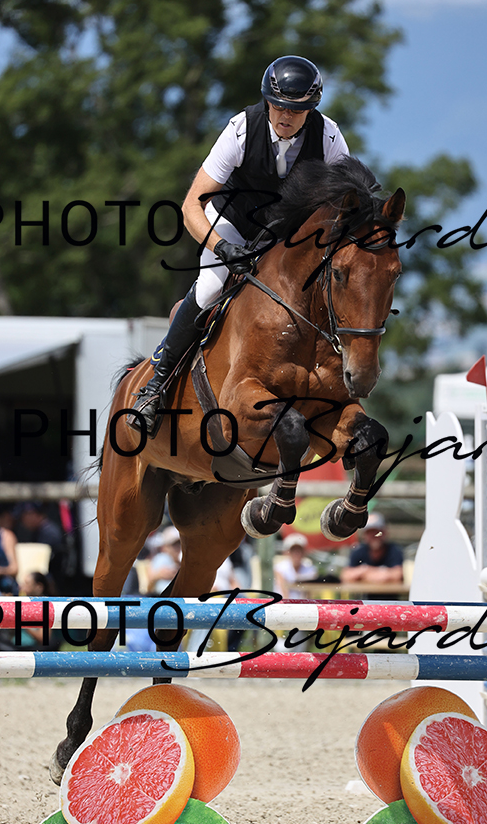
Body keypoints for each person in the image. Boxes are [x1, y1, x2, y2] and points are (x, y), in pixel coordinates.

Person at [130, 55, 349, 434]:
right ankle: (156, 385)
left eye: (297, 110)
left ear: (311, 109)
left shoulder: (328, 136)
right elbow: (191, 205)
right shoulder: (241, 130)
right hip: (232, 225)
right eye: (279, 105)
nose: (286, 116)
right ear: (267, 100)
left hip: (283, 237)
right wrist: (221, 248)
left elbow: (346, 203)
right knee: (211, 287)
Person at [340, 513, 404, 587]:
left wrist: (364, 572)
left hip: (388, 594)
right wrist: (382, 572)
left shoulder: (394, 550)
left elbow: (397, 575)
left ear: (385, 533)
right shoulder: (358, 551)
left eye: (377, 532)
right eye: (370, 532)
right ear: (364, 535)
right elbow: (345, 575)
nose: (374, 536)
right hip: (363, 594)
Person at [274, 533, 318, 600]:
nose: (297, 554)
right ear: (288, 552)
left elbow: (309, 594)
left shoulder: (310, 568)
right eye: (294, 550)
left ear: (304, 552)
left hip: (301, 603)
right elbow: (284, 592)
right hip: (283, 602)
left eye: (299, 550)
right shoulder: (280, 568)